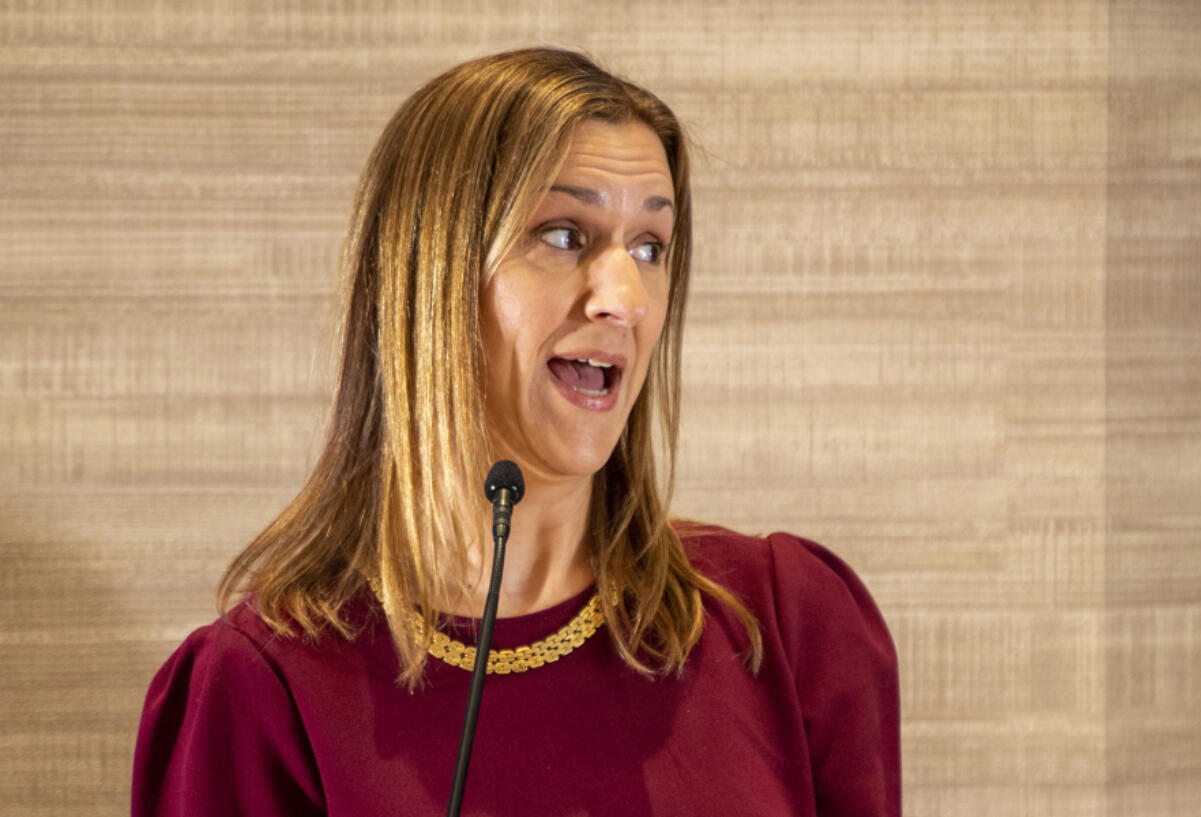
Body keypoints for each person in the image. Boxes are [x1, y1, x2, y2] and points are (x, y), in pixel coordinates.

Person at [132, 47, 900, 816]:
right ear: (430, 277)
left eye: (650, 248)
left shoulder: (786, 627)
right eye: (565, 235)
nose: (626, 298)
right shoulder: (263, 689)